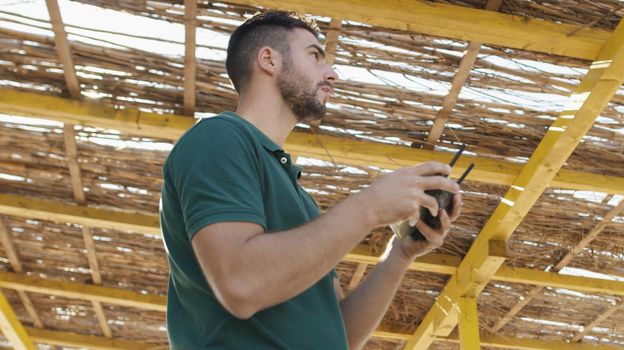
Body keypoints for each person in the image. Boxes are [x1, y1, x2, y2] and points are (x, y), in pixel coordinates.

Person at [160, 11, 462, 350]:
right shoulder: (217, 138)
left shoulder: (301, 199)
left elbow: (340, 335)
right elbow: (241, 284)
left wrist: (400, 254)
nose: (331, 73)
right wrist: (370, 206)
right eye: (315, 56)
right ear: (269, 60)